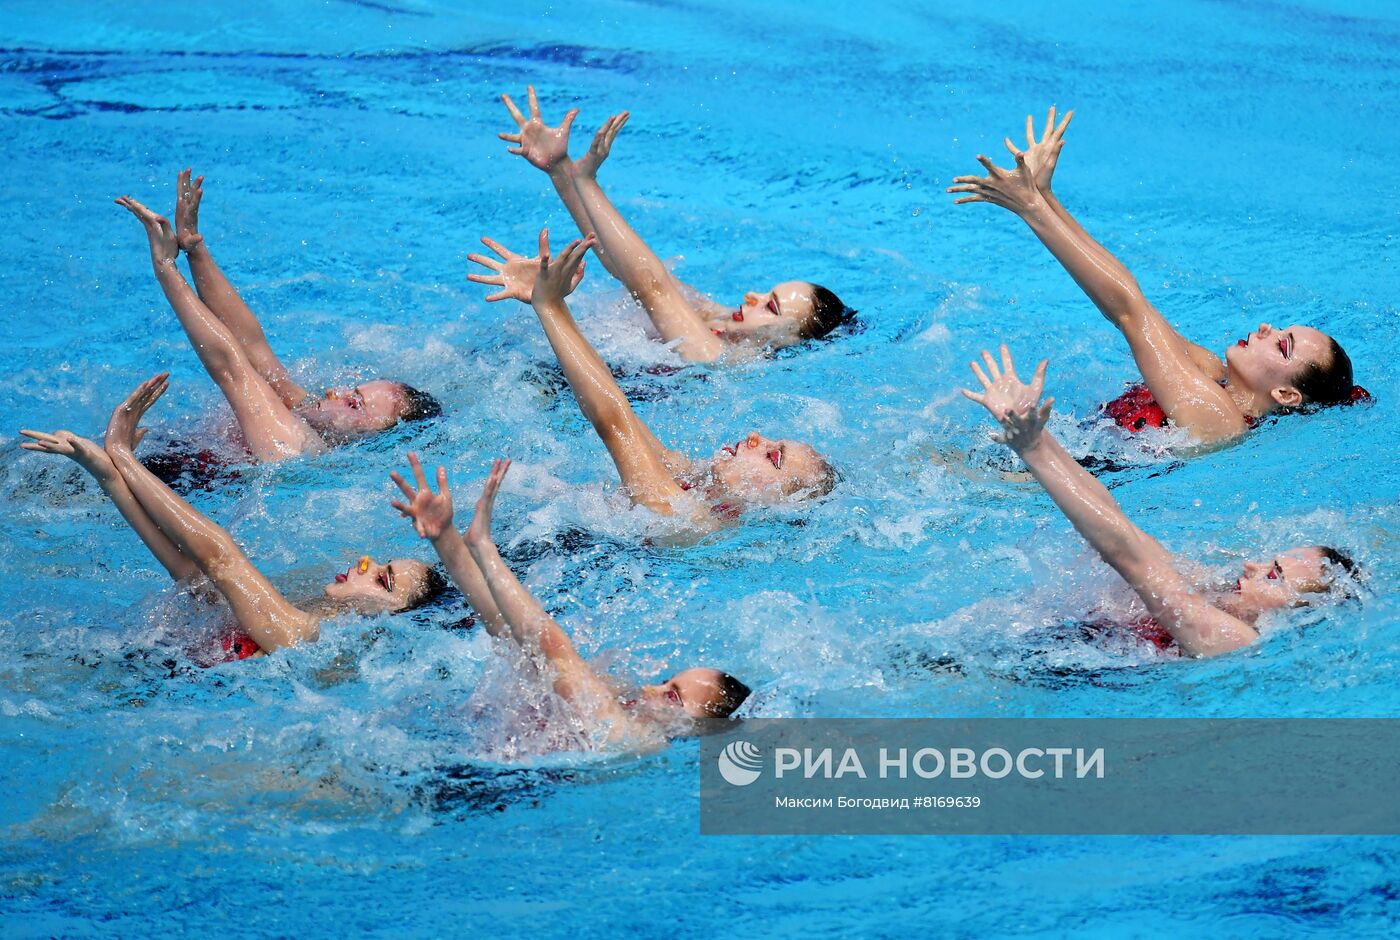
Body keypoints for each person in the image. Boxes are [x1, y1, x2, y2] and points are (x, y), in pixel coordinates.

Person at [948, 109, 1366, 445]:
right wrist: (1044, 197)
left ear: (1286, 396)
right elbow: (1133, 301)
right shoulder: (1209, 370)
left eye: (1283, 344)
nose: (1265, 328)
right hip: (1040, 457)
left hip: (1031, 492)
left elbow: (1128, 315)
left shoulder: (1221, 418)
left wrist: (1031, 212)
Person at [962, 344, 1360, 658]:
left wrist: (1032, 448)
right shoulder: (1212, 592)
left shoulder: (1230, 638)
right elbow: (1117, 521)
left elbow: (1125, 553)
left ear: (1299, 615)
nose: (1251, 564)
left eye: (1273, 574)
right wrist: (1034, 434)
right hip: (1036, 650)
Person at [19, 374, 446, 663]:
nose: (366, 564)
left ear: (387, 616)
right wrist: (108, 473)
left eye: (383, 579)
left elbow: (221, 558)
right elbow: (195, 576)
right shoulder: (295, 611)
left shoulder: (297, 634)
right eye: (380, 563)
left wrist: (124, 456)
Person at [468, 228, 837, 528]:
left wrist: (548, 305)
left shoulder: (689, 521)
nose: (758, 437)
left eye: (774, 456)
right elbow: (620, 408)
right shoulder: (691, 479)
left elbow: (614, 424)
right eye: (773, 440)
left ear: (776, 508)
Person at [390, 453, 750, 748]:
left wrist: (486, 548)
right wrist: (445, 537)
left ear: (696, 733)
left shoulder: (636, 741)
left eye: (672, 696)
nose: (651, 687)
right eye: (668, 680)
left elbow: (553, 648)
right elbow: (508, 632)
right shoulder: (617, 697)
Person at [489, 86, 853, 364]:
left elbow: (652, 288)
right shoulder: (716, 317)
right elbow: (629, 271)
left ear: (788, 340)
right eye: (765, 292)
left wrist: (586, 182)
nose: (752, 298)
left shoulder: (718, 359)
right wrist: (561, 170)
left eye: (770, 307)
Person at [114, 170, 440, 464]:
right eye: (350, 389)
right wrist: (193, 248)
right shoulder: (305, 413)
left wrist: (165, 268)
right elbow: (252, 346)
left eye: (353, 403)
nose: (333, 392)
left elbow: (231, 367)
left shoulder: (292, 448)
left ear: (366, 442)